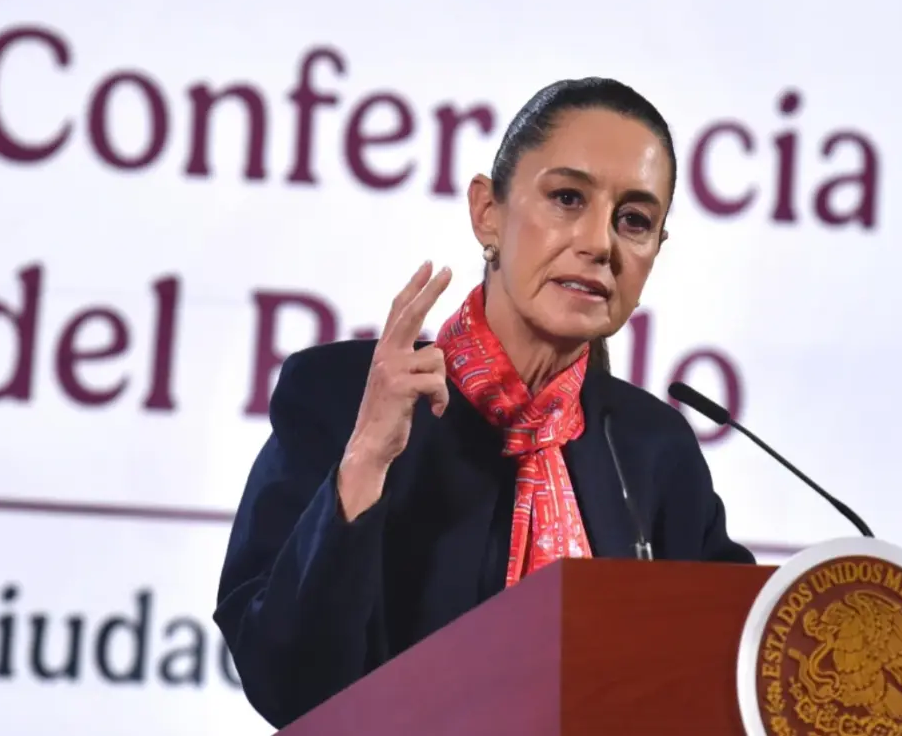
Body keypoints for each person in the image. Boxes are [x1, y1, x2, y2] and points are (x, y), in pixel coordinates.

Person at [213, 77, 755, 729]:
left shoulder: (651, 451)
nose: (599, 242)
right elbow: (288, 684)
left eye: (634, 220)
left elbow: (740, 675)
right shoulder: (343, 398)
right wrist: (364, 463)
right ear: (486, 213)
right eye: (566, 198)